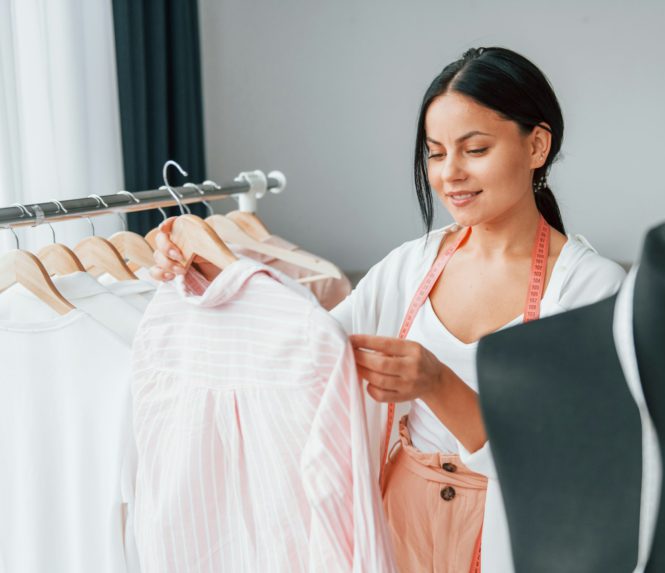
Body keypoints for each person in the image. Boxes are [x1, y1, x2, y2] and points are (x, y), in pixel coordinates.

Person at [151, 47, 626, 573]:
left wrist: (438, 384)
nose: (450, 175)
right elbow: (309, 351)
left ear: (536, 144)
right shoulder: (412, 266)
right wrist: (213, 269)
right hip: (398, 519)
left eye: (475, 149)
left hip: (514, 532)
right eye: (436, 153)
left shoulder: (590, 287)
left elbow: (570, 460)